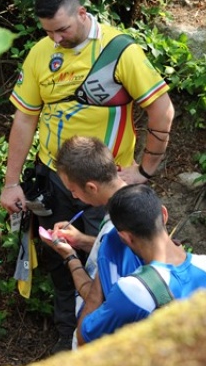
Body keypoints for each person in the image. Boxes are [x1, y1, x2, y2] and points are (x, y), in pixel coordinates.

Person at [0, 0, 175, 353]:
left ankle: (110, 344)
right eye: (48, 32)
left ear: (82, 14)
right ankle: (69, 339)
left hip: (104, 184)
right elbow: (24, 120)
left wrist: (145, 170)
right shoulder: (40, 53)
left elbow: (162, 109)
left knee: (110, 261)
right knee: (60, 254)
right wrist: (11, 182)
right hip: (52, 178)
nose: (56, 39)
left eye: (62, 29)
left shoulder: (119, 50)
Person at [75, 184, 206, 345]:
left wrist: (98, 278)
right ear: (164, 214)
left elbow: (84, 338)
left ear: (126, 238)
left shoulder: (135, 290)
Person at [38, 136, 143, 348]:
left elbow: (99, 298)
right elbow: (119, 253)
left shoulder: (118, 227)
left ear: (92, 187)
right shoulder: (134, 204)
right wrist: (82, 241)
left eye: (73, 190)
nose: (74, 197)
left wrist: (69, 256)